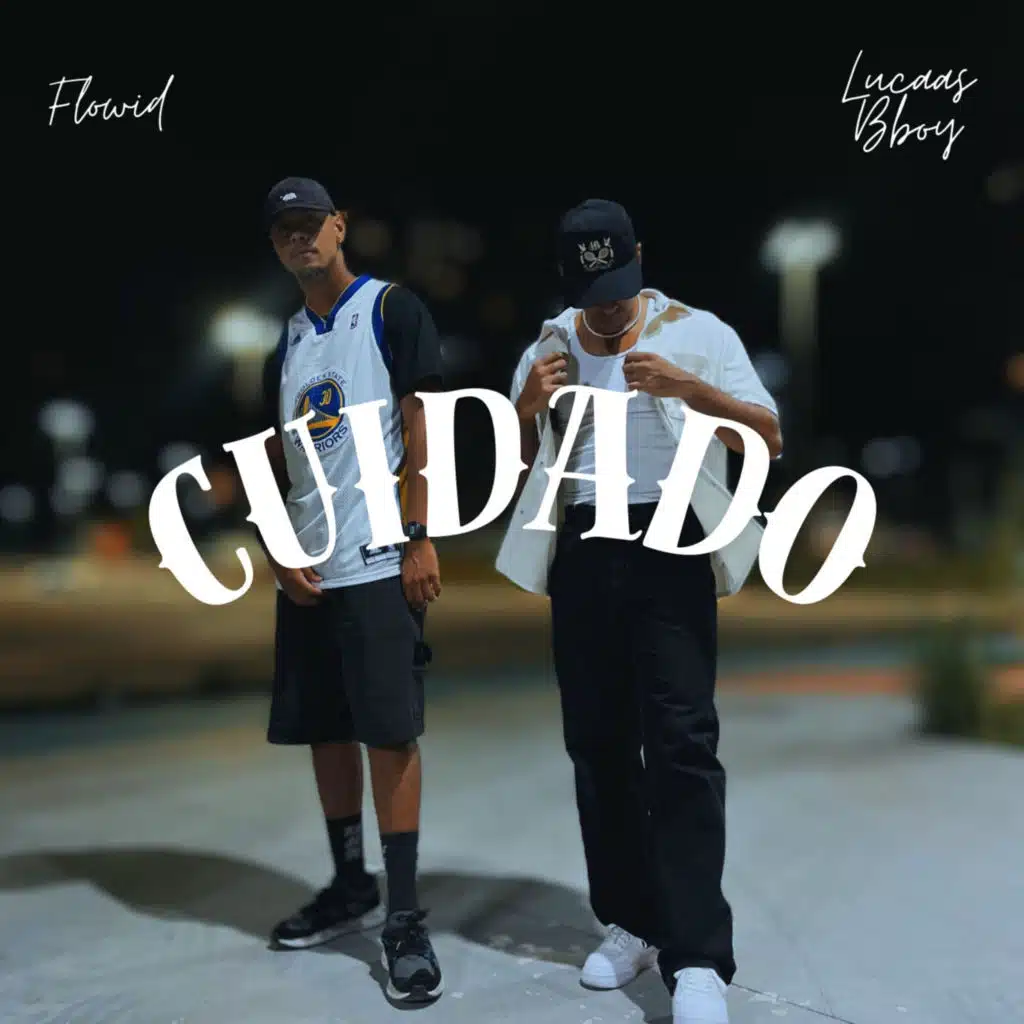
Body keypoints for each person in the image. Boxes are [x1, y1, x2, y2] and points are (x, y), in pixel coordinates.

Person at [498, 199, 783, 1024]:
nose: (608, 309)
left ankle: (698, 958)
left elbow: (767, 437)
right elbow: (519, 466)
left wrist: (693, 391)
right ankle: (632, 922)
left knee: (683, 745)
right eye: (592, 294)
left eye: (619, 289)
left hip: (671, 538)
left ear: (639, 260)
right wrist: (523, 409)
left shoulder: (700, 333)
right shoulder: (548, 347)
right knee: (597, 744)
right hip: (585, 544)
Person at [257, 176, 445, 1004]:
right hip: (310, 569)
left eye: (311, 223)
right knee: (325, 729)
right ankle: (349, 884)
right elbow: (277, 454)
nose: (300, 238)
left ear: (339, 226)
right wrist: (276, 543)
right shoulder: (287, 341)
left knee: (388, 734)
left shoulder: (390, 310)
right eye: (284, 231)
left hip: (377, 559)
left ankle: (403, 917)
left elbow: (420, 425)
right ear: (275, 246)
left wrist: (419, 535)